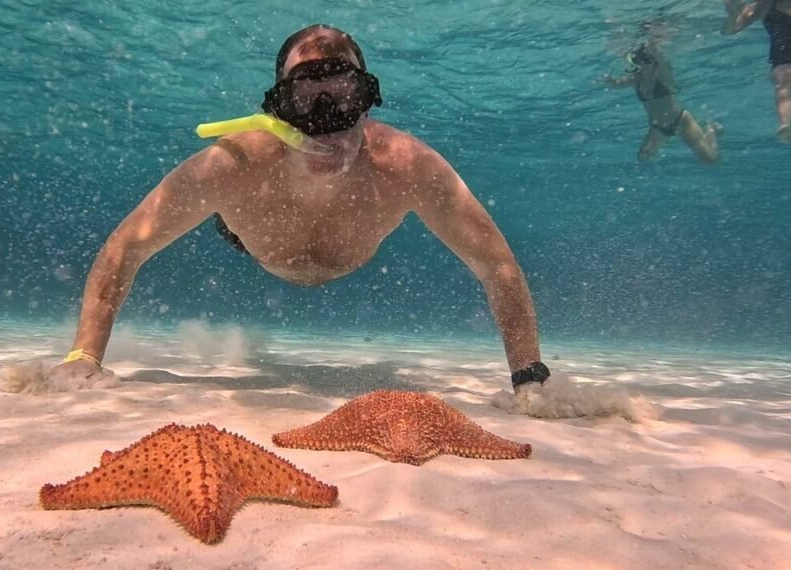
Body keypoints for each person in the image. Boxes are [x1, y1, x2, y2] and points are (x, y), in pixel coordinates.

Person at [51, 24, 552, 395]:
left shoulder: (407, 165)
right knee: (229, 215)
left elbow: (496, 264)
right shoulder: (232, 164)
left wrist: (529, 377)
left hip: (356, 219)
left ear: (368, 97)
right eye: (307, 95)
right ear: (278, 108)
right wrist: (83, 357)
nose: (328, 116)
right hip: (254, 235)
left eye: (344, 92)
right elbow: (126, 246)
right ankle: (233, 222)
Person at [603, 41, 721, 163]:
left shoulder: (663, 74)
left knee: (711, 160)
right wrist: (610, 81)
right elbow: (617, 84)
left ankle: (711, 130)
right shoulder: (636, 79)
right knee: (643, 157)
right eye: (638, 61)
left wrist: (652, 41)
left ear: (653, 61)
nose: (642, 65)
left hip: (680, 121)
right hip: (658, 128)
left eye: (645, 60)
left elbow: (659, 54)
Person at [722, 0, 791, 142]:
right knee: (785, 80)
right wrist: (733, 14)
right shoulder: (763, 7)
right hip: (788, 60)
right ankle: (785, 125)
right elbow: (728, 30)